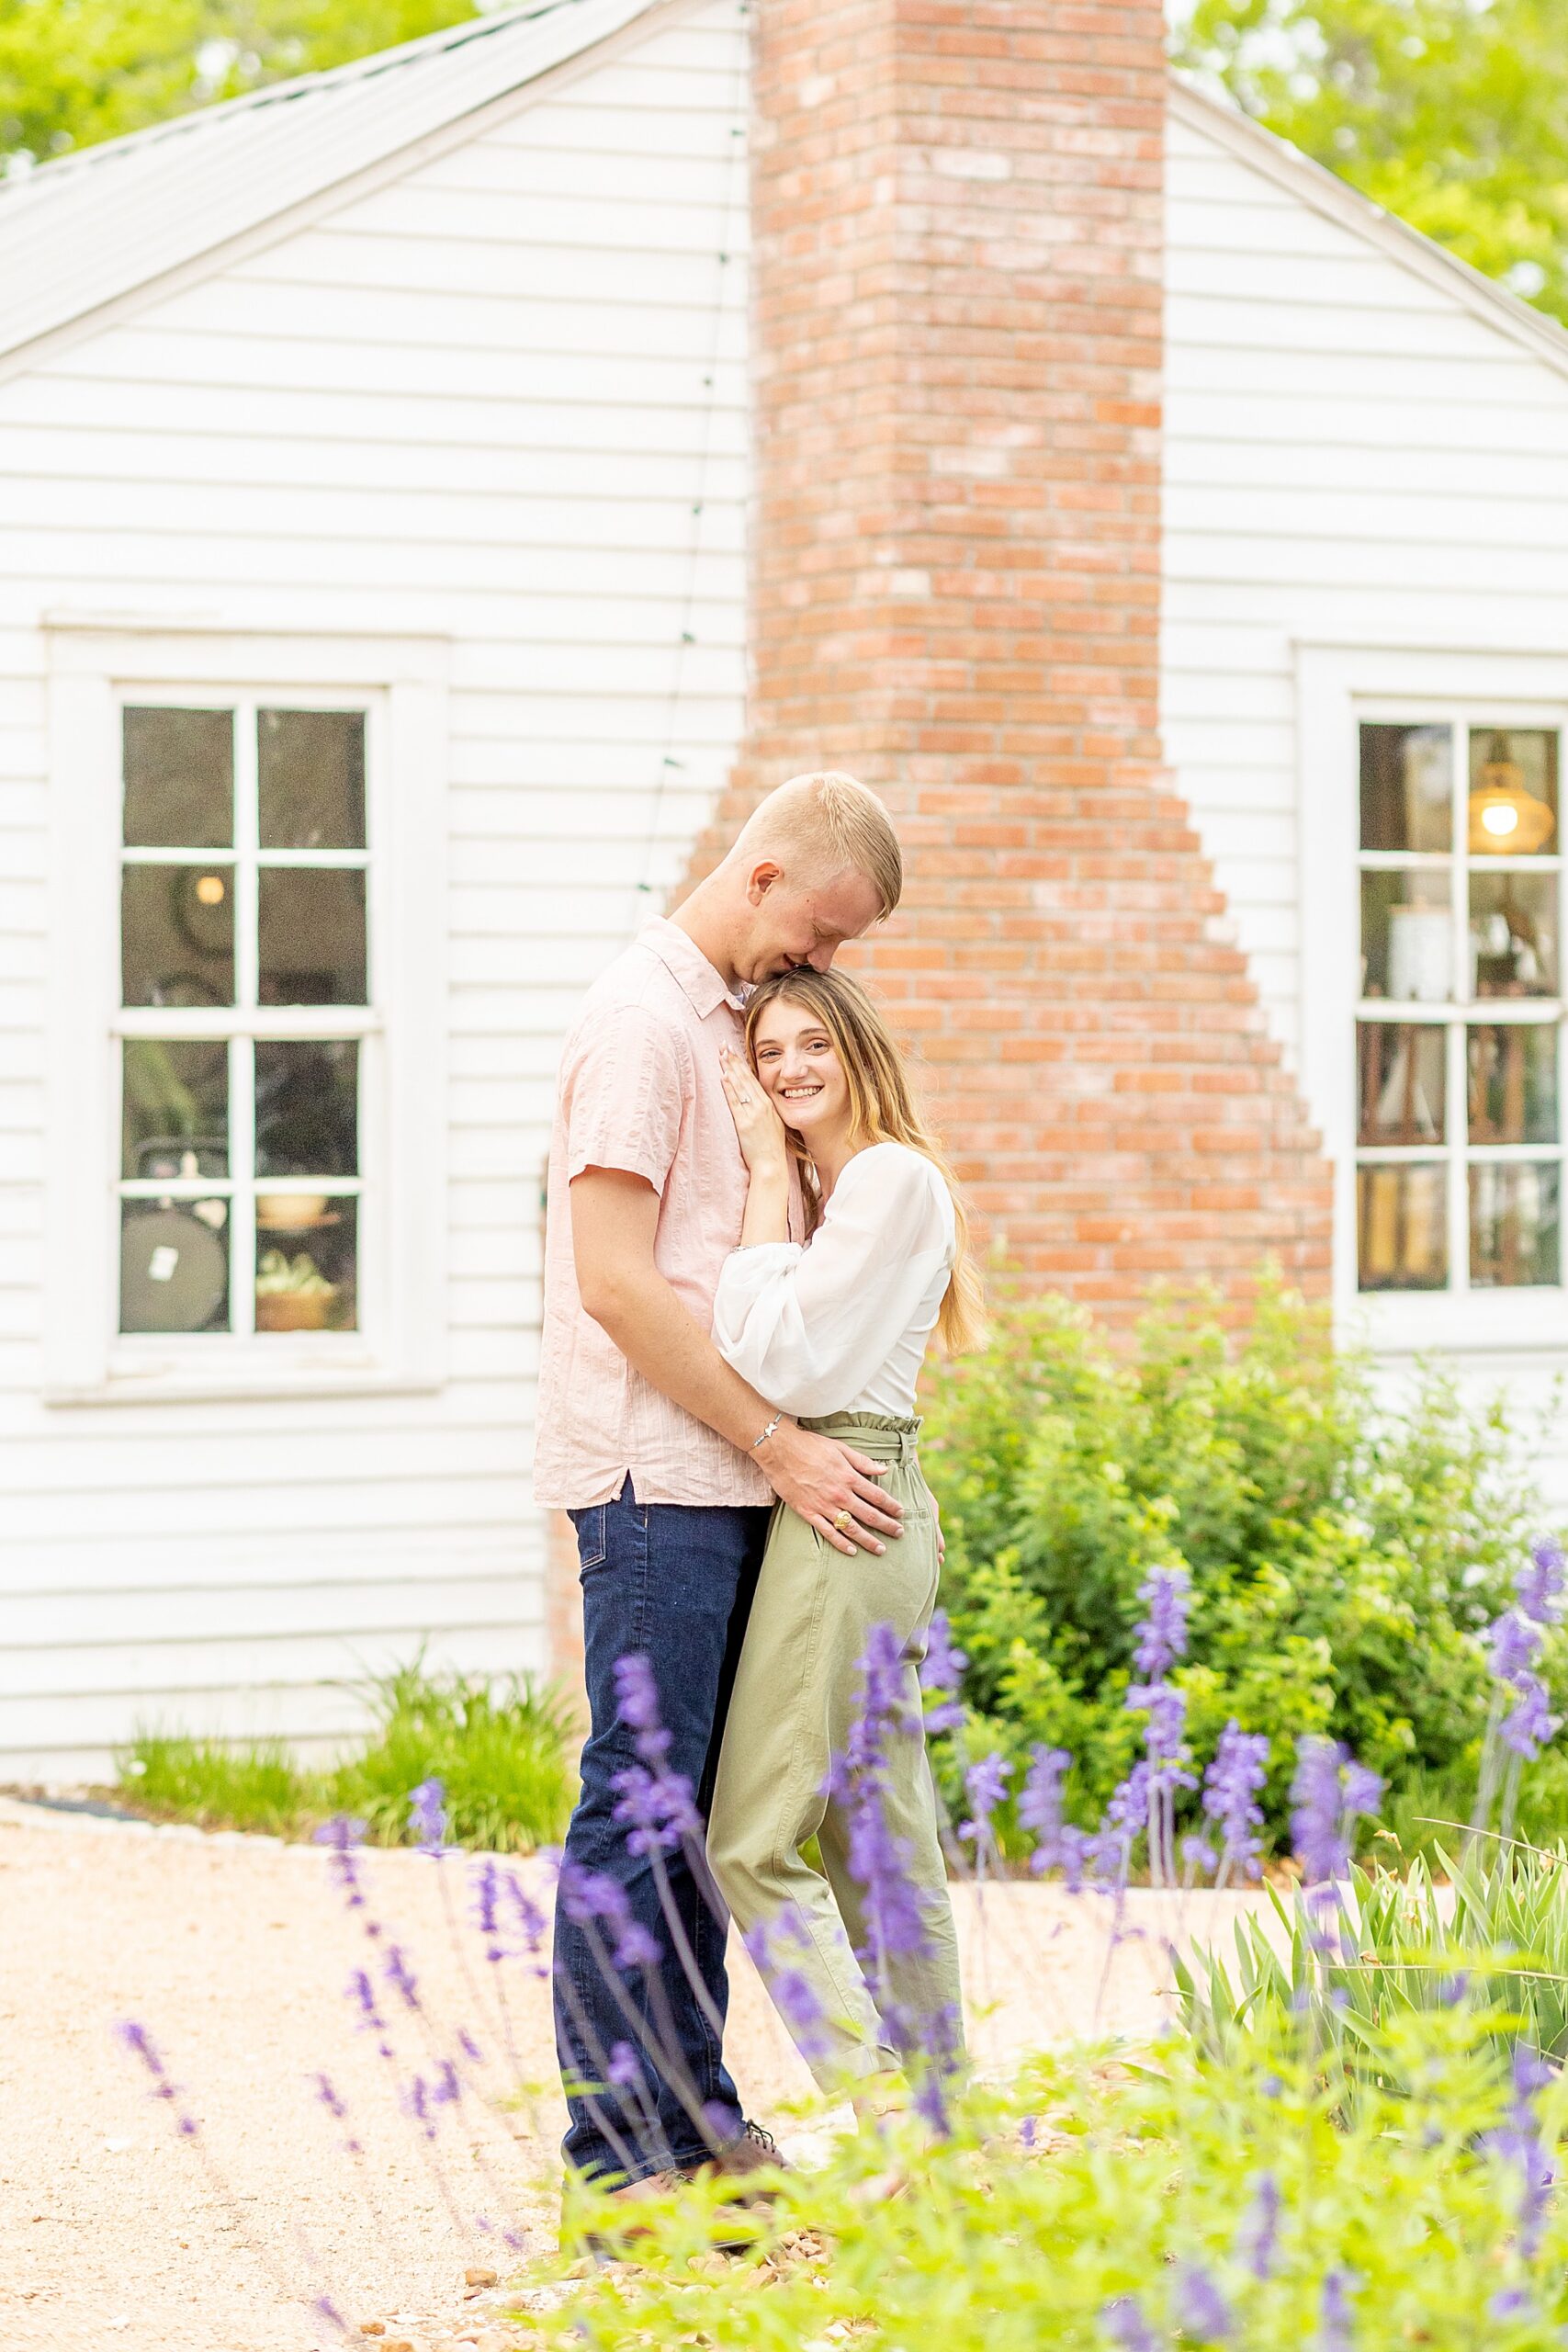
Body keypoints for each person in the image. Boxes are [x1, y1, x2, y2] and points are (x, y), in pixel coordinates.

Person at [534, 772, 908, 2199]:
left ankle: (695, 2127)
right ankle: (621, 2162)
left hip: (723, 1471)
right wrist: (779, 1443)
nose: (824, 967)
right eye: (818, 933)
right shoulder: (640, 1025)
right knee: (638, 1803)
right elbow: (619, 1288)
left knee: (694, 1810)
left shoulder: (727, 1027)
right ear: (759, 877)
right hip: (659, 1474)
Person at [705, 965, 985, 2108]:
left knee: (753, 1838)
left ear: (860, 1047)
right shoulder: (861, 1190)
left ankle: (877, 2107)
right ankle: (939, 2119)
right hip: (868, 1494)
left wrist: (766, 1177)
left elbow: (784, 1359)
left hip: (844, 1490)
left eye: (811, 1043)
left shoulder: (883, 1180)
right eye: (769, 1055)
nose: (789, 1070)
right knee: (879, 1828)